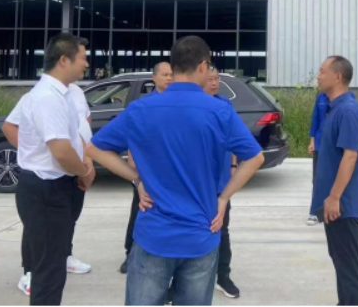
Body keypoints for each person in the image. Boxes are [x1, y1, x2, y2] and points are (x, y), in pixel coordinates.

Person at [86, 36, 264, 307]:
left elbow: (95, 149)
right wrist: (224, 197)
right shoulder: (219, 111)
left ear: (174, 65)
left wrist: (136, 179)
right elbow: (255, 158)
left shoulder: (141, 109)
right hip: (201, 234)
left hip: (154, 235)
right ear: (202, 66)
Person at [10, 34, 95, 307]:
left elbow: (73, 138)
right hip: (46, 190)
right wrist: (84, 172)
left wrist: (85, 163)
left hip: (56, 187)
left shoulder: (64, 95)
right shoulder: (48, 98)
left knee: (54, 268)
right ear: (63, 60)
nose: (86, 64)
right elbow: (61, 151)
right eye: (82, 58)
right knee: (48, 273)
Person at [311, 56, 358, 307]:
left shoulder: (348, 111)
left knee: (349, 265)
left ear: (337, 76)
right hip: (333, 203)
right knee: (341, 260)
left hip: (342, 204)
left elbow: (350, 156)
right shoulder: (334, 108)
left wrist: (334, 197)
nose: (318, 76)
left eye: (322, 71)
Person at [120, 61, 174, 275]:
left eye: (171, 75)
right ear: (154, 78)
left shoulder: (176, 103)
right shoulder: (143, 105)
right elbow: (132, 136)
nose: (169, 78)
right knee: (139, 210)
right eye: (164, 75)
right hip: (146, 171)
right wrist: (133, 163)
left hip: (170, 170)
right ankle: (130, 253)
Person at [205, 67, 241, 299]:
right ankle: (179, 280)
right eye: (210, 79)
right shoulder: (193, 106)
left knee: (222, 228)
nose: (214, 82)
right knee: (192, 229)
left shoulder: (225, 105)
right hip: (197, 180)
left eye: (217, 78)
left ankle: (223, 275)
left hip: (220, 180)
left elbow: (234, 139)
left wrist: (234, 165)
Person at [307, 92, 329, 226]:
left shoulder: (346, 99)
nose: (319, 81)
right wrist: (312, 141)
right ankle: (315, 212)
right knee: (317, 179)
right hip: (320, 144)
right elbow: (315, 120)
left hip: (335, 146)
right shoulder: (321, 98)